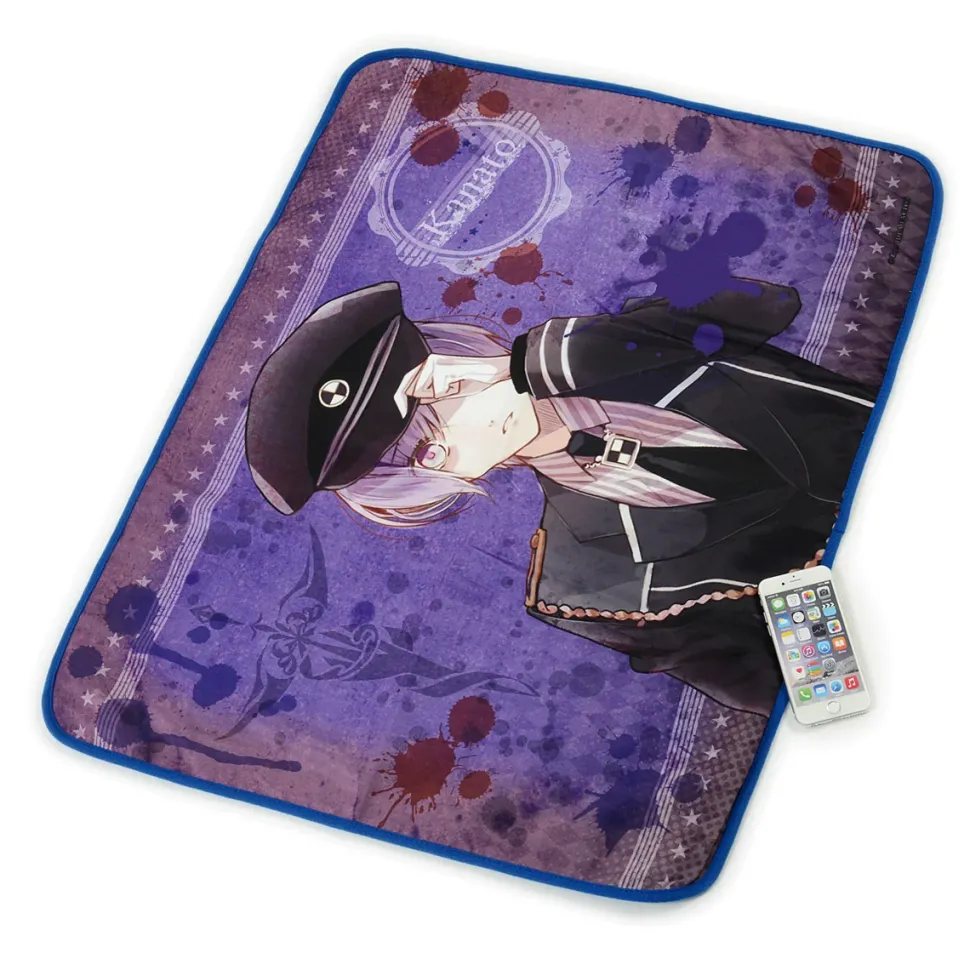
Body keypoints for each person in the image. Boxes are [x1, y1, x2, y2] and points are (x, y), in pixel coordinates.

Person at [245, 279, 876, 715]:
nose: (455, 440)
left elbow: (773, 303)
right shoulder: (583, 588)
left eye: (440, 401)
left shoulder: (626, 341)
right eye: (425, 457)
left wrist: (525, 365)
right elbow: (800, 690)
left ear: (456, 358)